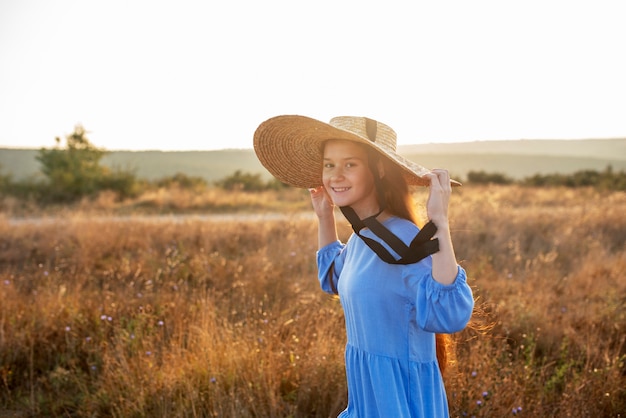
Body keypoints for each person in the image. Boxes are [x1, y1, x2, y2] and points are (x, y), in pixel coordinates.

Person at [253, 115, 474, 417]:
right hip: (367, 402)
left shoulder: (406, 240)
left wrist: (440, 222)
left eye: (350, 164)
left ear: (380, 169)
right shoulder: (364, 238)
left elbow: (448, 315)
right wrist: (325, 218)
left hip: (401, 403)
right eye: (329, 164)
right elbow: (333, 278)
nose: (335, 175)